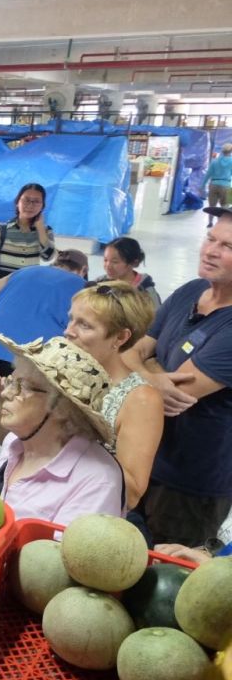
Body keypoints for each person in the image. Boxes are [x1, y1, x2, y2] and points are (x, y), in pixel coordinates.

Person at [122, 208, 232, 546]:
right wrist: (152, 372)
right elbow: (129, 353)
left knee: (165, 584)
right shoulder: (191, 290)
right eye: (210, 238)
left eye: (227, 247)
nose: (210, 250)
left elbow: (171, 393)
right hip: (143, 459)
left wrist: (144, 369)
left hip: (190, 484)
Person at [0, 251, 88, 476]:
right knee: (25, 412)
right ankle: (21, 467)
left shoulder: (22, 272)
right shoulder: (83, 287)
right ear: (82, 270)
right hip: (30, 356)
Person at [0, 333, 123, 524]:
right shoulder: (15, 442)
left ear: (62, 407)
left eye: (23, 386)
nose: (6, 393)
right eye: (12, 381)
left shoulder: (97, 479)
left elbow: (65, 553)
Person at [63, 281, 162, 508]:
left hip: (87, 517)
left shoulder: (140, 399)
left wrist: (79, 436)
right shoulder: (59, 373)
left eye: (84, 325)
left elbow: (132, 494)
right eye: (71, 319)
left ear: (120, 338)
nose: (68, 331)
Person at [0, 183, 56, 294]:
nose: (30, 205)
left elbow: (48, 257)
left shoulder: (46, 231)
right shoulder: (1, 230)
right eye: (26, 200)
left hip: (29, 291)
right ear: (17, 202)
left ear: (42, 206)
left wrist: (40, 228)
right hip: (3, 291)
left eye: (36, 201)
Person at [98, 236, 161, 307]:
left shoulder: (147, 293)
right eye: (105, 260)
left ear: (134, 263)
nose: (108, 266)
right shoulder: (100, 283)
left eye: (115, 262)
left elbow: (156, 317)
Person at [204, 143, 232, 226]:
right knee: (226, 205)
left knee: (212, 205)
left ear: (222, 151)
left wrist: (202, 186)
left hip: (213, 184)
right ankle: (222, 223)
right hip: (226, 185)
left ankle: (210, 222)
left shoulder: (214, 161)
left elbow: (208, 174)